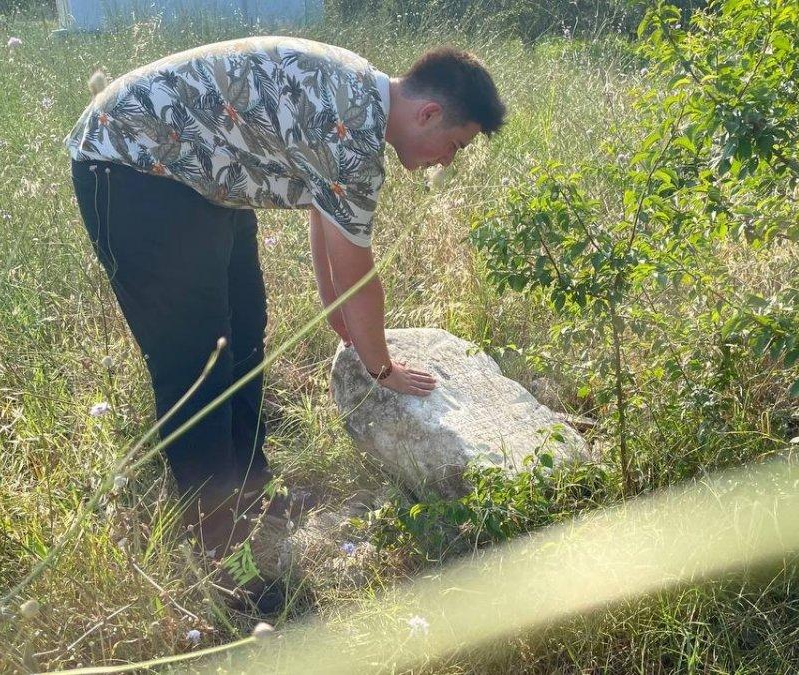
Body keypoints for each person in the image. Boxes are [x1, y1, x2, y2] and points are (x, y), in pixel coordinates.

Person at [65, 37, 507, 610]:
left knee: (245, 336)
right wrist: (380, 366)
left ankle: (251, 495)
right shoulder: (355, 129)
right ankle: (223, 562)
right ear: (428, 113)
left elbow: (327, 220)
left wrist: (334, 309)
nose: (447, 161)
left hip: (194, 176)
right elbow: (359, 271)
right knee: (197, 369)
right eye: (454, 144)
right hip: (130, 169)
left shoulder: (361, 99)